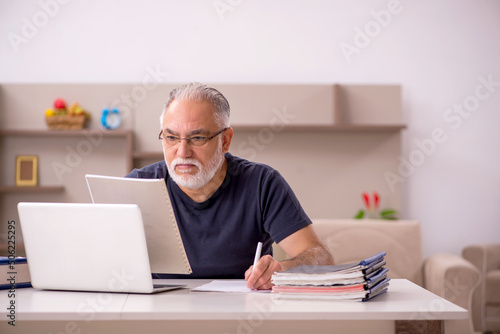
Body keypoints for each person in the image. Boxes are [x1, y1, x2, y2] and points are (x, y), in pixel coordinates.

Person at [126, 82, 334, 290]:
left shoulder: (262, 184)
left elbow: (320, 257)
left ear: (225, 140)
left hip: (241, 311)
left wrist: (283, 269)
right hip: (158, 313)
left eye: (197, 138)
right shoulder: (136, 186)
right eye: (171, 137)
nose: (182, 152)